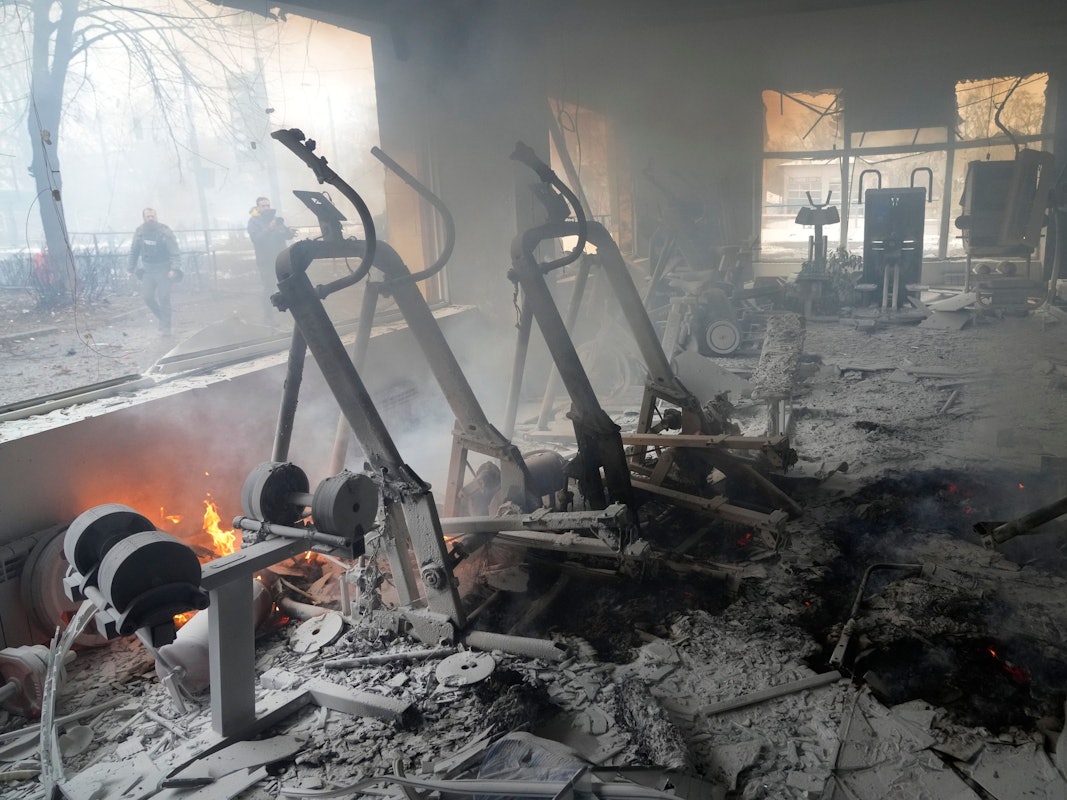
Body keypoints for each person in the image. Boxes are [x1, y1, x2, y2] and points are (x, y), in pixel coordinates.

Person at [128, 208, 182, 336]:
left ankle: (166, 328)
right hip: (148, 270)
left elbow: (175, 252)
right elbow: (134, 251)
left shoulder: (164, 232)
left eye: (152, 216)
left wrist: (174, 269)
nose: (150, 218)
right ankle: (163, 320)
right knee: (147, 297)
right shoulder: (140, 232)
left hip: (164, 269)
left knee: (164, 297)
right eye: (148, 216)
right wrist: (130, 269)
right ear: (144, 218)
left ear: (156, 216)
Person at [246, 196, 294, 321]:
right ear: (258, 208)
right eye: (263, 206)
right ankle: (268, 317)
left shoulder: (276, 219)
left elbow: (285, 235)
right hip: (265, 261)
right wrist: (269, 229)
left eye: (268, 205)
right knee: (269, 288)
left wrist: (290, 232)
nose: (266, 208)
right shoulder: (253, 222)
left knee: (288, 284)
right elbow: (256, 239)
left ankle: (292, 313)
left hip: (281, 258)